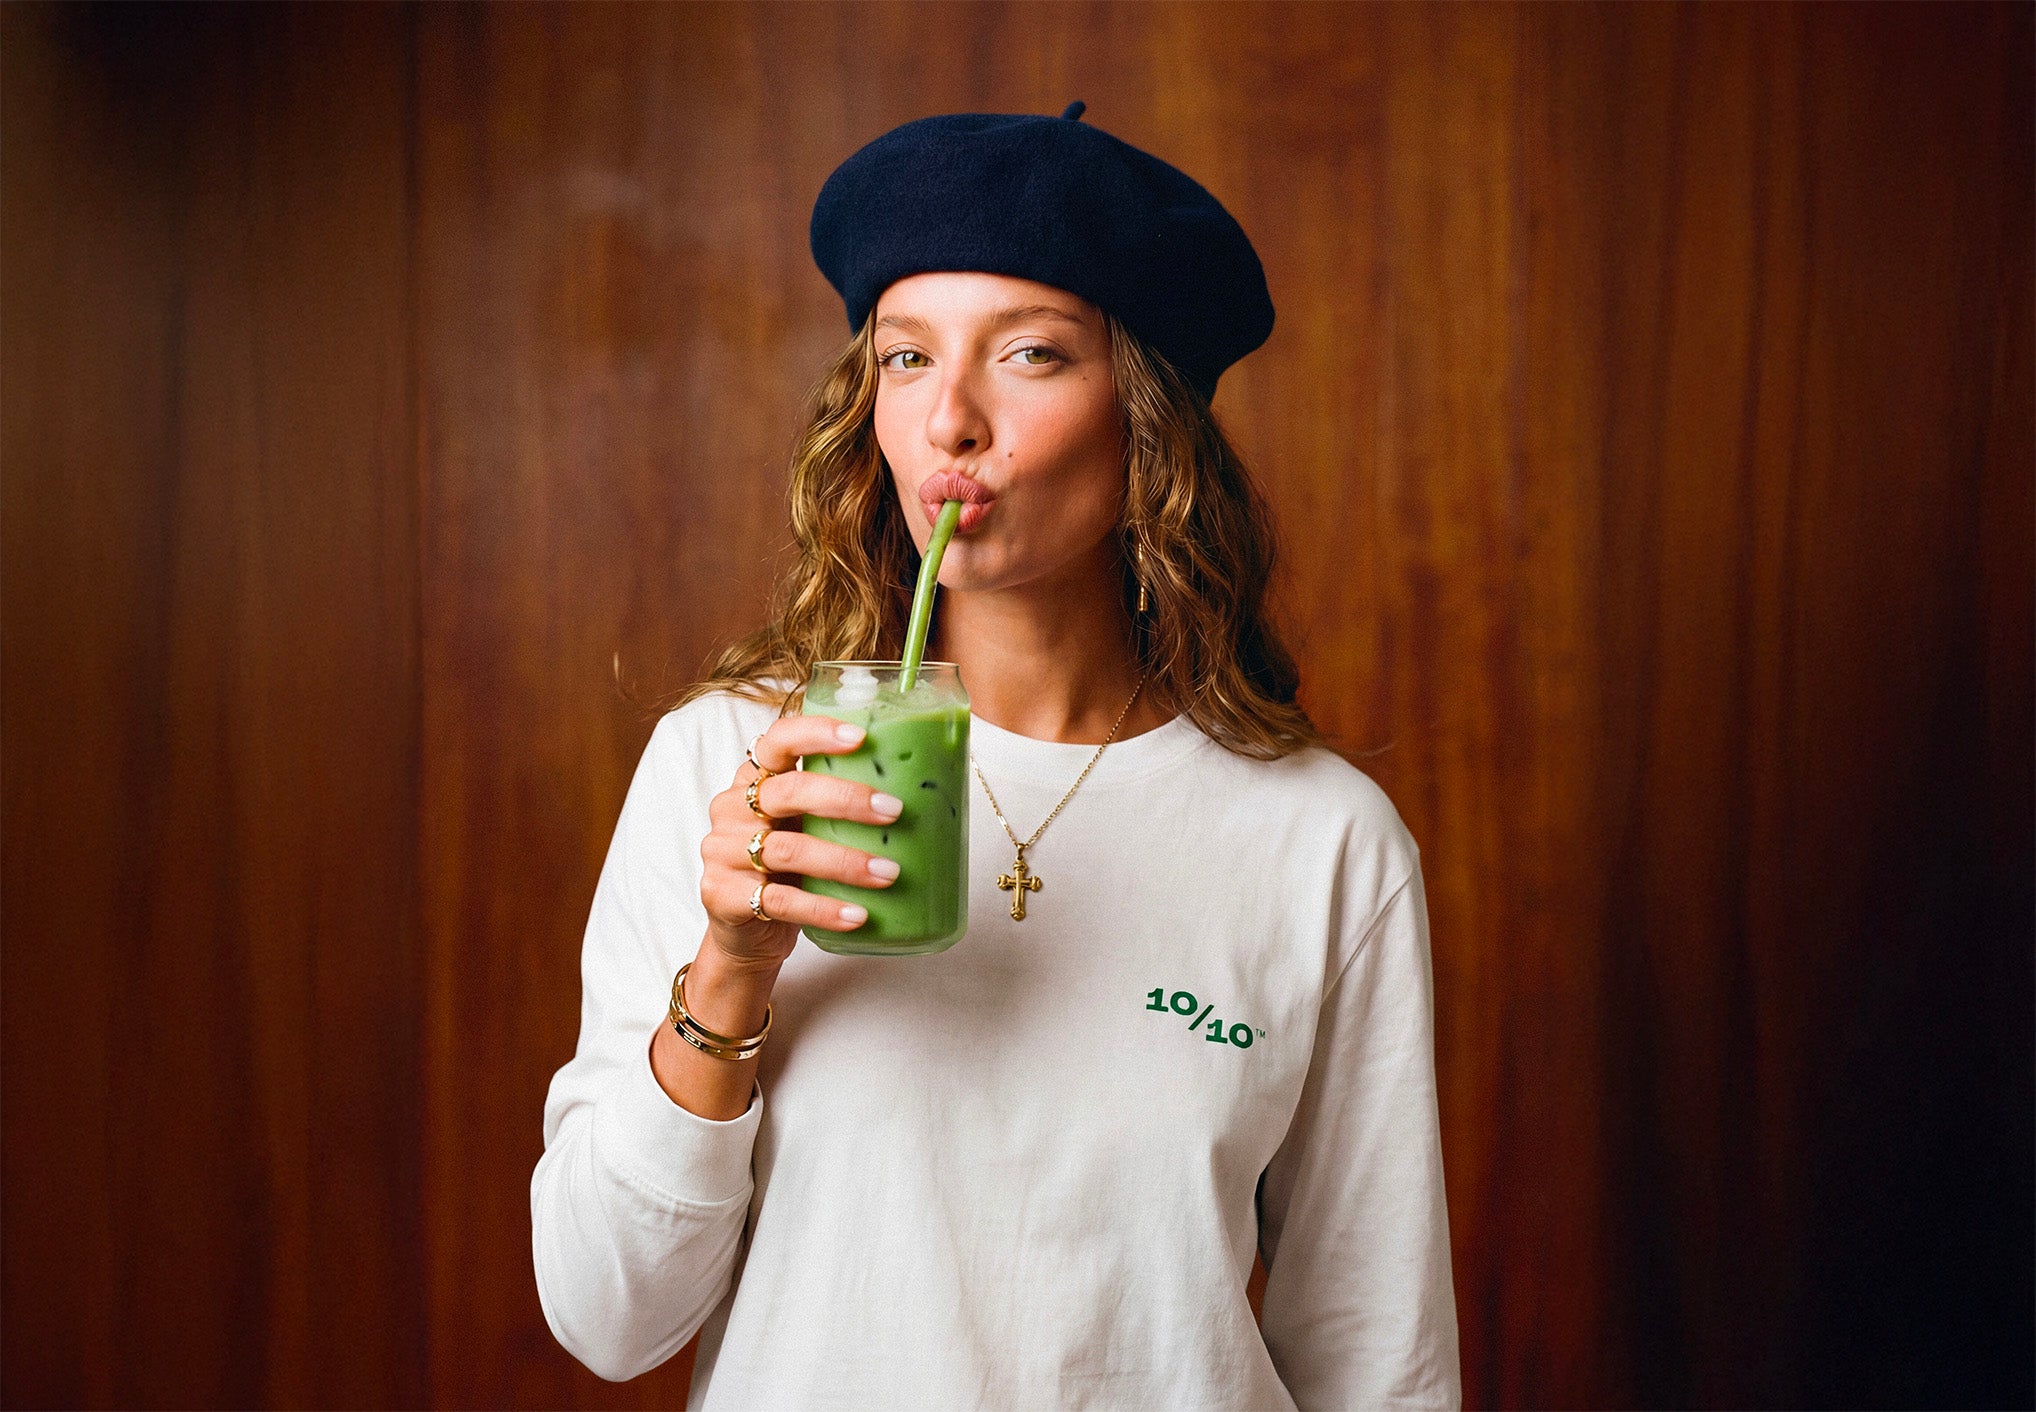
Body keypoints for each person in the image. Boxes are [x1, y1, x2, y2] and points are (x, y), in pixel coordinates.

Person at [532, 103, 1461, 1411]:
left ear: (1148, 419)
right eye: (907, 358)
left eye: (1029, 353)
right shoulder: (733, 768)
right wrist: (732, 969)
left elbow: (1378, 1358)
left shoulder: (1321, 840)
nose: (950, 420)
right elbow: (606, 1317)